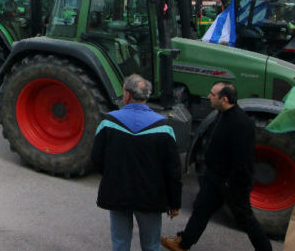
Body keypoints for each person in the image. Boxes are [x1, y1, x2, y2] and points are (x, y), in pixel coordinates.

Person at [161, 82, 272, 251]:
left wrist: (231, 183)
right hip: (215, 177)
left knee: (245, 218)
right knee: (201, 209)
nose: (209, 96)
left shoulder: (240, 124)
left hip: (231, 184)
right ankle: (184, 243)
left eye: (213, 94)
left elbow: (243, 160)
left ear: (224, 99)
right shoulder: (221, 115)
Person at [91, 74, 182, 251]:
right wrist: (174, 202)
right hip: (151, 197)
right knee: (151, 244)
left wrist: (112, 176)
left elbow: (96, 159)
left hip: (117, 192)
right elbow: (173, 170)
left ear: (127, 95)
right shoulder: (164, 127)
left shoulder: (108, 123)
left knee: (120, 242)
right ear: (146, 97)